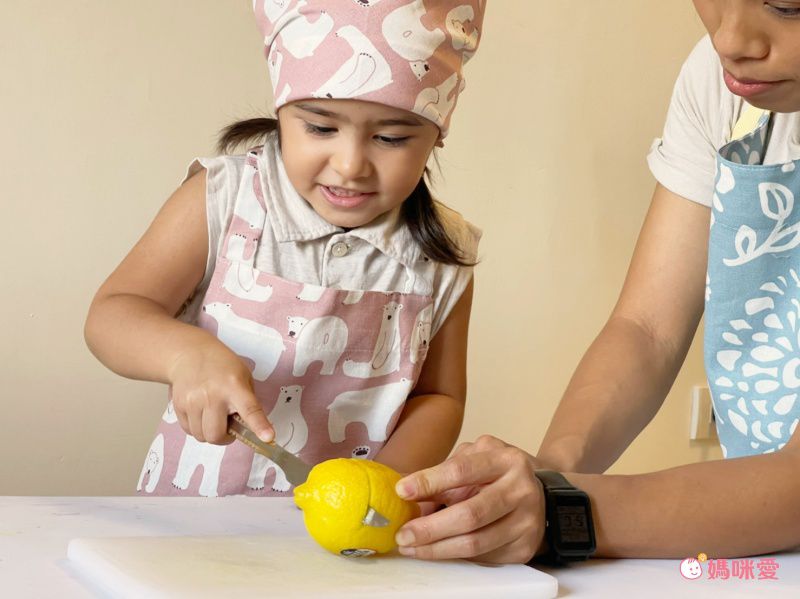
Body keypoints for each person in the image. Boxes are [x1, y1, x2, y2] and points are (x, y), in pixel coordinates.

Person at [393, 0, 800, 564]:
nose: (730, 41)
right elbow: (646, 328)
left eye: (788, 6)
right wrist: (547, 474)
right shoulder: (723, 86)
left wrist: (562, 511)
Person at [84, 0, 486, 497]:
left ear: (436, 135)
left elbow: (439, 396)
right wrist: (185, 355)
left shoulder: (444, 252)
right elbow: (114, 313)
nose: (350, 165)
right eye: (320, 128)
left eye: (390, 137)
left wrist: (378, 486)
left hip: (339, 531)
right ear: (282, 113)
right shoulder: (223, 197)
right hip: (189, 518)